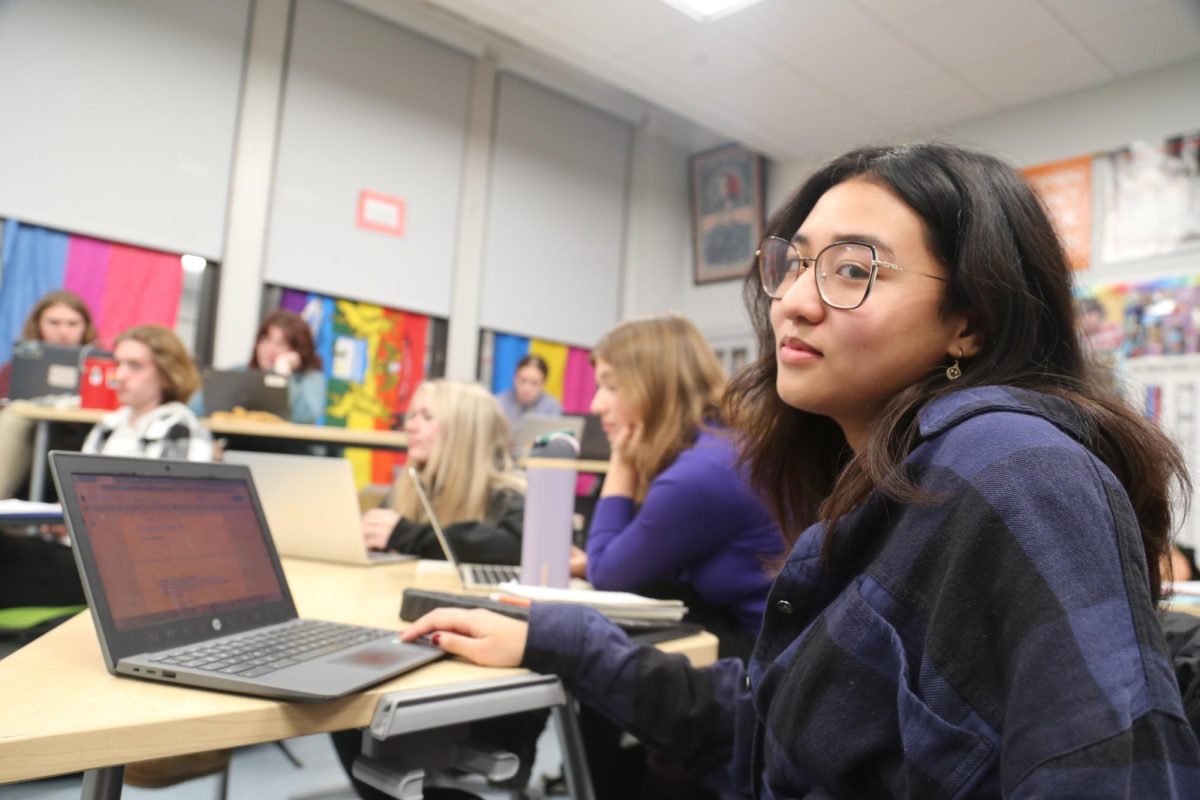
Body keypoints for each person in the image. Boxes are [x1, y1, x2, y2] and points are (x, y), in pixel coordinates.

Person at [402, 142, 1200, 798]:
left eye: (853, 269)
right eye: (794, 263)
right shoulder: (885, 478)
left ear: (970, 321)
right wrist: (559, 637)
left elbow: (1115, 772)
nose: (792, 301)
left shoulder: (1011, 470)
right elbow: (774, 715)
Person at [582, 314, 783, 660]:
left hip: (764, 663)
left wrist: (622, 462)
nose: (595, 404)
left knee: (588, 644)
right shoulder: (721, 447)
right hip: (763, 640)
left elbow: (604, 573)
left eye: (611, 386)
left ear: (655, 387)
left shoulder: (699, 474)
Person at [361, 379, 525, 564]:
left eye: (427, 417)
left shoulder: (508, 497)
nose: (410, 426)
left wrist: (408, 536)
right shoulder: (416, 484)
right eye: (412, 415)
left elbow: (513, 549)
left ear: (464, 431)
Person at [83, 324, 212, 461]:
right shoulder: (108, 425)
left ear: (167, 375)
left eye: (135, 365)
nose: (119, 376)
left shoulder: (182, 430)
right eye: (118, 364)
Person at [0, 289, 98, 400]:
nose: (63, 331)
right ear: (37, 324)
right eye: (54, 322)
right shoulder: (13, 370)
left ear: (86, 327)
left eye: (72, 324)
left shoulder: (100, 369)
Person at [495, 354, 562, 433]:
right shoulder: (498, 403)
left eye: (534, 383)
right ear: (515, 378)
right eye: (523, 380)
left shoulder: (552, 407)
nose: (526, 389)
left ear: (543, 384)